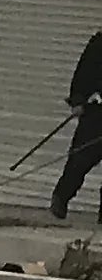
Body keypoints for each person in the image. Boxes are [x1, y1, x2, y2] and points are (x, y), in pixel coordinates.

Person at [55, 22, 102, 221]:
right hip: (97, 112)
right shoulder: (99, 43)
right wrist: (78, 100)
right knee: (80, 159)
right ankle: (61, 197)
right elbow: (84, 72)